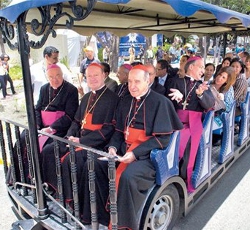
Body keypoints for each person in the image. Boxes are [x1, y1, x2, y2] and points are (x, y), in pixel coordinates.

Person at [106, 64, 183, 230]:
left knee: (127, 176)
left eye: (137, 81)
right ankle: (105, 214)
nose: (132, 86)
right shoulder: (125, 101)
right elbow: (119, 131)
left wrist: (135, 153)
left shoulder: (160, 102)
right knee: (98, 165)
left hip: (149, 155)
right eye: (130, 81)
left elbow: (162, 139)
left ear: (148, 82)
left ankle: (124, 224)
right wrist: (112, 147)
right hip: (124, 149)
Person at [41, 64, 119, 225]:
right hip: (78, 139)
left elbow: (109, 129)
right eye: (89, 76)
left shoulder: (113, 99)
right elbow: (77, 121)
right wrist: (69, 136)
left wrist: (82, 142)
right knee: (50, 150)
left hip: (97, 144)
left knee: (71, 161)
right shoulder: (86, 97)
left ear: (104, 75)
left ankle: (73, 204)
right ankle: (55, 193)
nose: (92, 79)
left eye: (96, 75)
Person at [13, 64, 79, 182]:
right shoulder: (44, 88)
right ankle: (22, 177)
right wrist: (37, 126)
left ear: (62, 75)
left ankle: (41, 180)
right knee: (23, 137)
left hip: (59, 129)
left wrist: (51, 128)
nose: (55, 79)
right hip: (41, 127)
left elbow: (70, 116)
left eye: (58, 75)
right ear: (47, 77)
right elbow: (37, 109)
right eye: (51, 77)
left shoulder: (71, 90)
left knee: (46, 147)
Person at [167, 56, 215, 192]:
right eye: (201, 67)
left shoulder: (204, 86)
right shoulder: (175, 81)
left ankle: (184, 181)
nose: (203, 70)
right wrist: (176, 99)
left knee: (188, 152)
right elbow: (166, 103)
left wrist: (200, 95)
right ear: (192, 67)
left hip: (193, 124)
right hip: (174, 122)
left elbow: (210, 105)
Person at [210, 67, 235, 144]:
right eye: (220, 75)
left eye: (223, 77)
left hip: (219, 117)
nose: (219, 78)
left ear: (227, 80)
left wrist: (222, 100)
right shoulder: (209, 84)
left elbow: (229, 108)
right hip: (206, 112)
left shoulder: (228, 89)